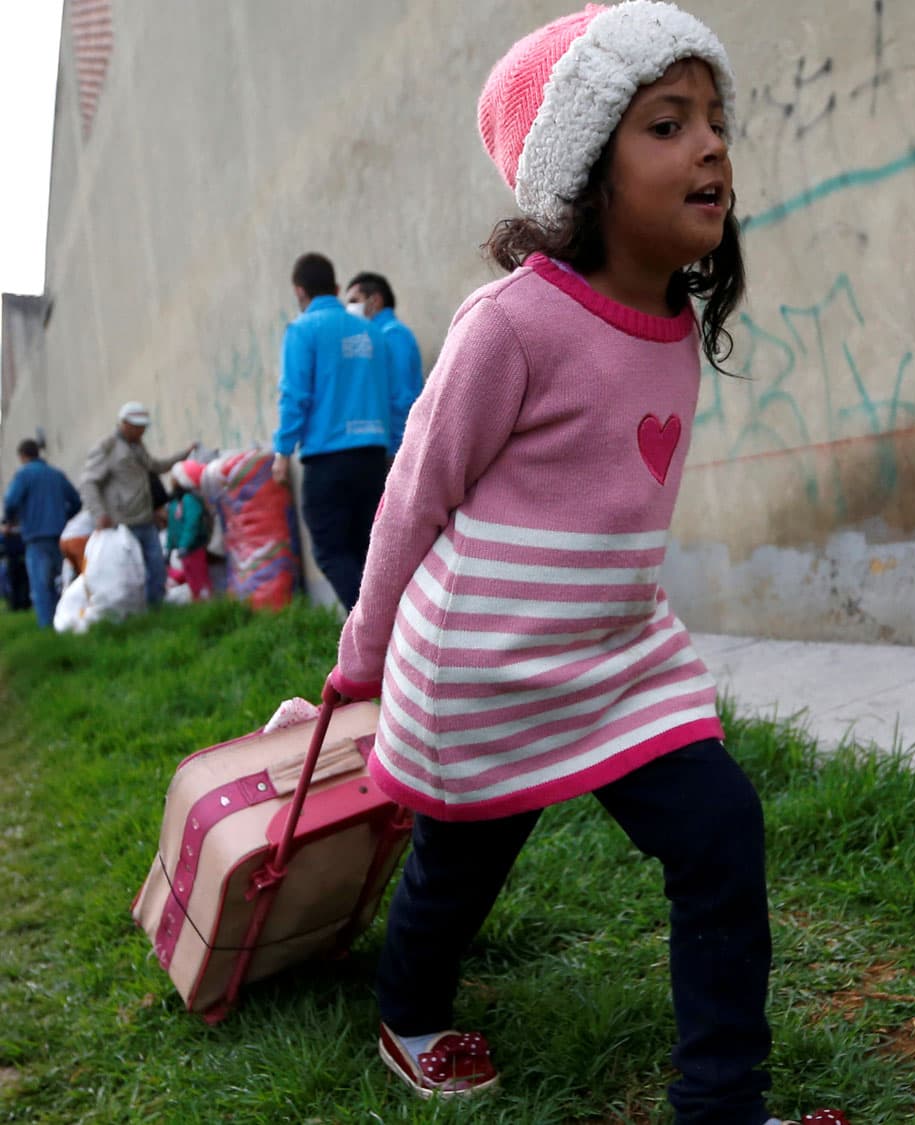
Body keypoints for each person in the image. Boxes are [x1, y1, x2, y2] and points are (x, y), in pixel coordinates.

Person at [323, 9, 840, 1123]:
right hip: (489, 669)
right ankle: (406, 1015)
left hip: (615, 657)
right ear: (584, 172)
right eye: (667, 124)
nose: (711, 146)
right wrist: (362, 656)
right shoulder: (511, 325)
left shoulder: (671, 315)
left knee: (720, 832)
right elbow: (415, 494)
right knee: (457, 876)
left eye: (714, 122)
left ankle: (722, 1105)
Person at [274, 251, 393, 611]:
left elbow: (295, 396)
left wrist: (282, 451)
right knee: (367, 550)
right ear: (337, 287)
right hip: (374, 457)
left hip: (327, 461)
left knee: (330, 551)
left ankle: (370, 633)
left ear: (299, 291)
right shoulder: (372, 332)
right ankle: (390, 632)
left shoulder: (302, 331)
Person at [79, 404, 194, 609]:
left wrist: (183, 455)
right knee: (128, 573)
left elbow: (156, 466)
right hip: (121, 523)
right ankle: (130, 612)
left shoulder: (138, 446)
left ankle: (157, 608)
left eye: (143, 427)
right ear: (124, 424)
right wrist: (99, 514)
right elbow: (89, 483)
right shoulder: (108, 447)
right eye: (137, 426)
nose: (142, 431)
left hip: (144, 518)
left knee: (156, 566)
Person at [3, 439, 84, 627]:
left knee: (41, 587)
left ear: (22, 457)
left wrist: (10, 521)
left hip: (36, 538)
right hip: (61, 536)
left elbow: (11, 501)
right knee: (63, 582)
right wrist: (64, 517)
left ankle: (48, 626)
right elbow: (76, 501)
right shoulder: (56, 474)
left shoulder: (23, 475)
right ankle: (68, 620)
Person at [343, 272, 425, 453]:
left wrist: (396, 450)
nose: (349, 309)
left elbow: (401, 396)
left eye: (354, 301)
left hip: (397, 447)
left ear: (375, 301)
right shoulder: (375, 336)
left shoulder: (392, 335)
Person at [165, 461, 215, 601]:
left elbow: (192, 524)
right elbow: (172, 527)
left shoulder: (189, 500)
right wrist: (169, 548)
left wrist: (185, 544)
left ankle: (206, 602)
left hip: (193, 547)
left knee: (199, 577)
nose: (172, 480)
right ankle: (198, 600)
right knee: (191, 579)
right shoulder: (176, 501)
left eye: (174, 477)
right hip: (184, 549)